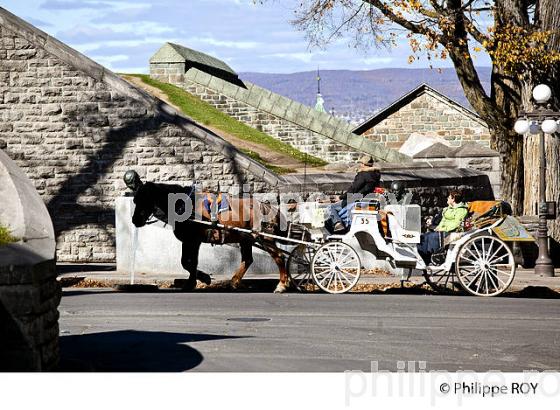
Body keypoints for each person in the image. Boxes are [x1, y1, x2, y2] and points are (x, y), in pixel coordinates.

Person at [326, 155, 381, 233]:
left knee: (331, 208)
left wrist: (341, 197)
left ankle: (338, 224)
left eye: (361, 163)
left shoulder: (363, 175)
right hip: (368, 201)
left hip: (356, 200)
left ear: (363, 164)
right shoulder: (376, 175)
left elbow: (353, 189)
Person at [417, 190, 468, 264]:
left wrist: (441, 228)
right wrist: (436, 226)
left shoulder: (462, 210)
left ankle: (427, 257)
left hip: (450, 232)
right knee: (423, 236)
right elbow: (442, 220)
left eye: (449, 197)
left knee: (431, 236)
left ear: (453, 199)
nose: (447, 198)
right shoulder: (447, 209)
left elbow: (456, 224)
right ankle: (423, 257)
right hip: (442, 230)